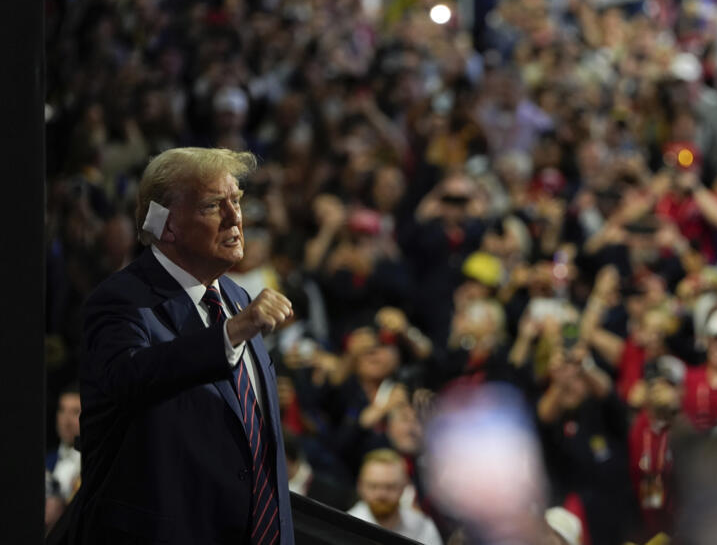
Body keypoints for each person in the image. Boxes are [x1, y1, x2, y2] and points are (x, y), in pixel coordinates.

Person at [70, 148, 295, 544]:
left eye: (237, 200)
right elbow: (131, 377)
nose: (235, 217)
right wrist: (231, 333)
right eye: (213, 205)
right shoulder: (121, 301)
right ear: (166, 226)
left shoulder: (237, 297)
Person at [348, 448, 443, 544]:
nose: (381, 494)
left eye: (390, 487)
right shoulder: (345, 527)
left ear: (404, 486)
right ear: (360, 486)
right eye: (373, 486)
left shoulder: (422, 527)